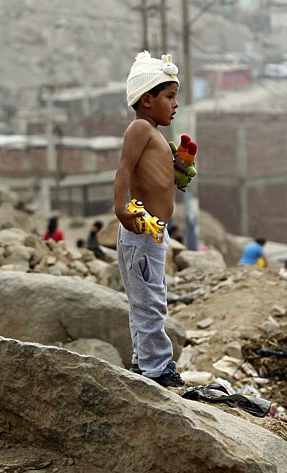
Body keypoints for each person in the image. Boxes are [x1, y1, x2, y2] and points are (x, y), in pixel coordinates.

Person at [113, 50, 185, 388]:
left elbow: (162, 177)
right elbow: (124, 170)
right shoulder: (140, 128)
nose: (174, 104)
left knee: (145, 298)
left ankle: (144, 363)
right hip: (140, 230)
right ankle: (157, 368)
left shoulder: (157, 134)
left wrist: (181, 167)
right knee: (149, 301)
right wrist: (120, 208)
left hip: (154, 232)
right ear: (146, 99)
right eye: (169, 96)